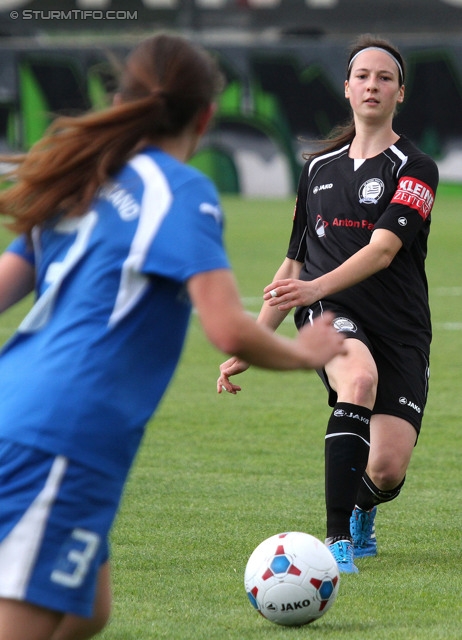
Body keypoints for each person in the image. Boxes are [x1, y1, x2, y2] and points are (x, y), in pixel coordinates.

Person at [0, 33, 347, 640]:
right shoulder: (178, 191)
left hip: (21, 407)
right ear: (206, 116)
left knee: (87, 611)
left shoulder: (83, 174)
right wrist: (300, 354)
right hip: (64, 429)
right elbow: (223, 325)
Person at [218, 34, 439, 574]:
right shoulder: (318, 169)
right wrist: (255, 337)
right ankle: (336, 544)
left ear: (400, 93)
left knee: (386, 470)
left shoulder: (416, 167)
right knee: (357, 380)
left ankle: (363, 508)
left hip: (402, 326)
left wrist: (313, 287)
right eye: (362, 75)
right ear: (346, 88)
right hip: (330, 314)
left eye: (384, 78)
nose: (372, 85)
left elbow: (384, 250)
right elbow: (293, 264)